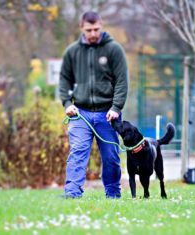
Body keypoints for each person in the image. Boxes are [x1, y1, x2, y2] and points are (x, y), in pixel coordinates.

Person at [59, 11, 129, 199]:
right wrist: (67, 103)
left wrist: (116, 108)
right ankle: (72, 193)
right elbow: (64, 81)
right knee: (78, 152)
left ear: (101, 26)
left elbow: (122, 82)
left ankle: (113, 193)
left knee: (111, 157)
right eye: (89, 30)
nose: (93, 33)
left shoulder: (114, 50)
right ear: (81, 28)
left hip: (108, 114)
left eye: (96, 29)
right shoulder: (73, 52)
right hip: (80, 113)